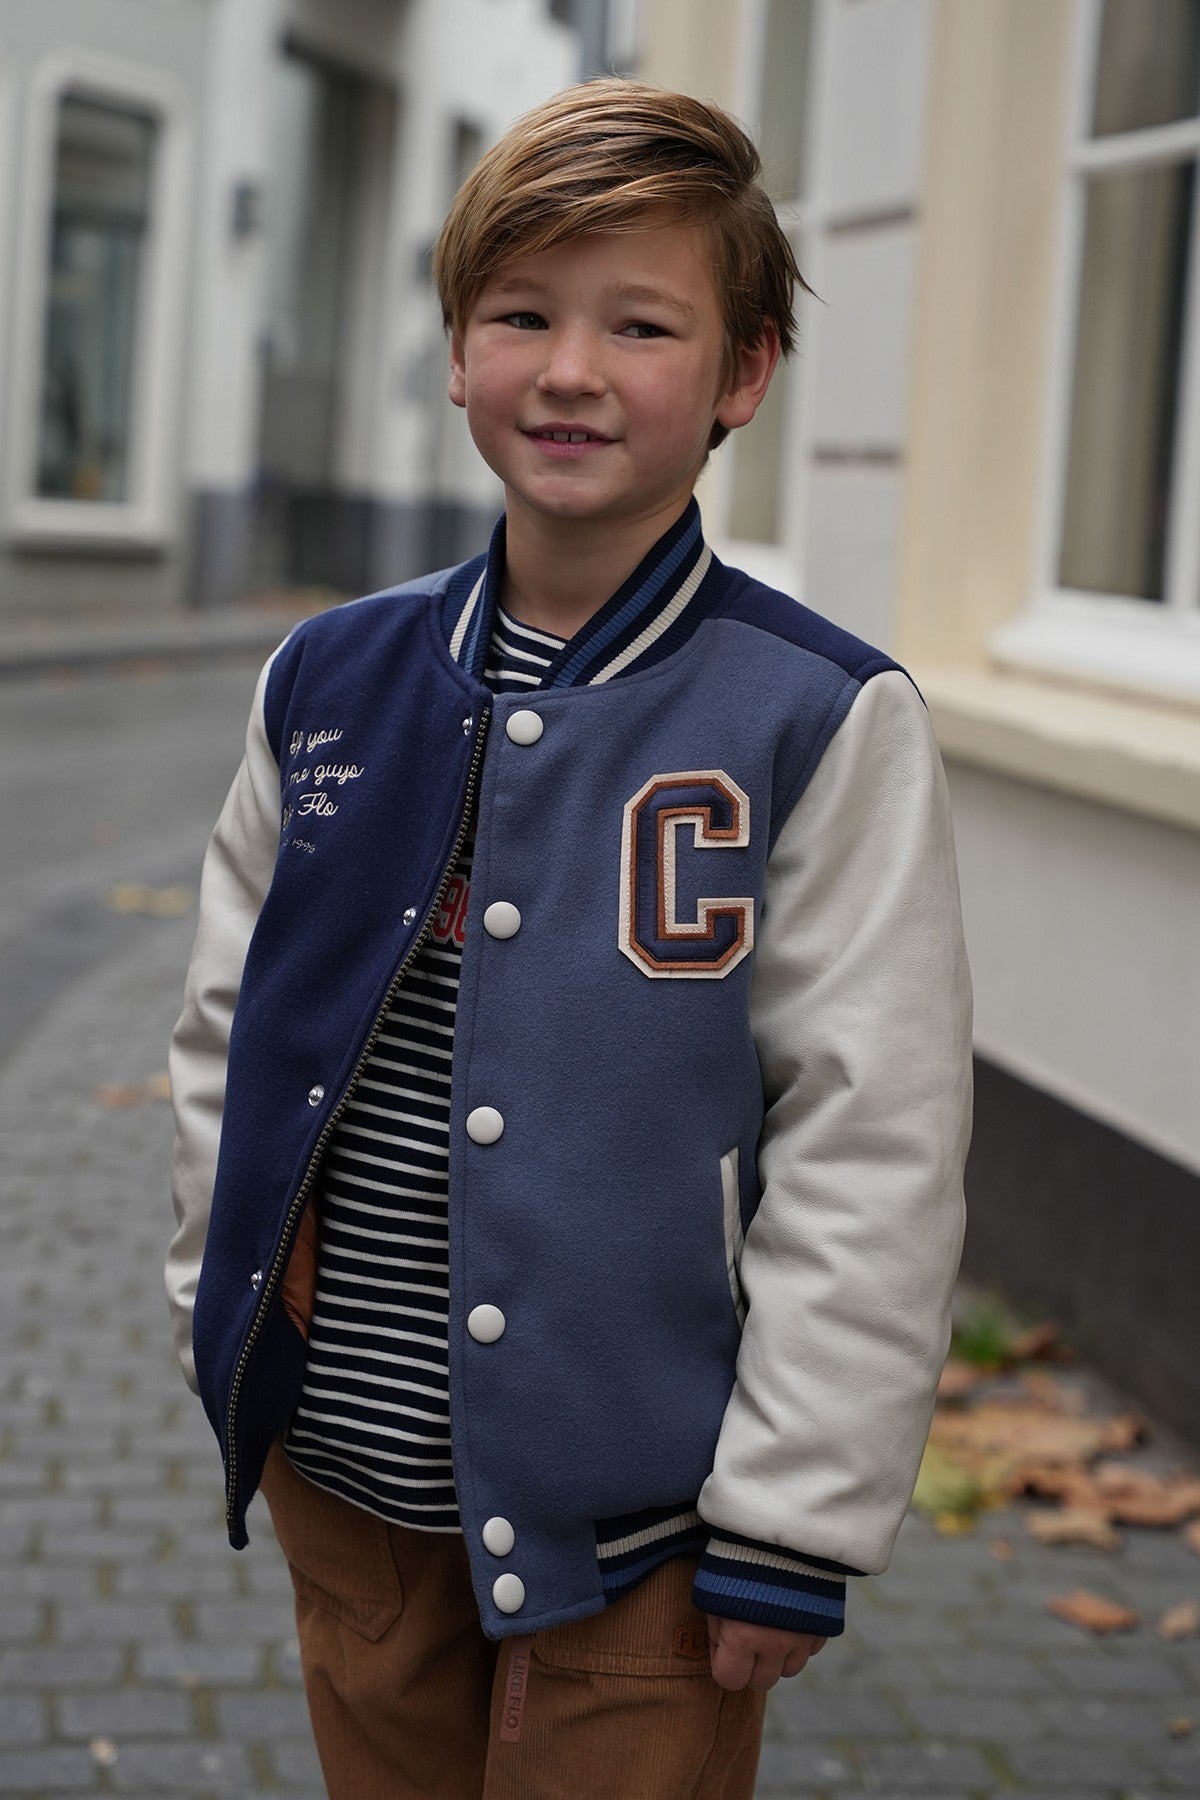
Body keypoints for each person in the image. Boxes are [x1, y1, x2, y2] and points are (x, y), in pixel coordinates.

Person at [166, 78, 972, 1800]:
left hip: (648, 1542)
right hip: (353, 1491)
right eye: (522, 314)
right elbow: (230, 1027)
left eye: (643, 325)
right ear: (458, 351)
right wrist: (216, 1312)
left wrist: (796, 1512)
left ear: (746, 371)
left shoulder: (817, 716)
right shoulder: (327, 678)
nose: (572, 371)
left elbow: (874, 1136)